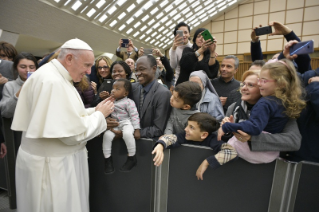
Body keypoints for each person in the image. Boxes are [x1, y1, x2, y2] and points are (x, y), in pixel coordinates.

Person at [11, 38, 115, 212]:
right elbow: (71, 134)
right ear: (69, 59)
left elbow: (66, 116)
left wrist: (94, 111)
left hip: (49, 161)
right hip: (51, 168)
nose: (90, 71)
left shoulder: (52, 74)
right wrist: (100, 116)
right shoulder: (53, 82)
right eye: (87, 65)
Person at [218, 59, 306, 163]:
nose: (244, 88)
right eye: (243, 84)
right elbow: (223, 138)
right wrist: (229, 131)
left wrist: (252, 137)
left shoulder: (279, 108)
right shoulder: (233, 107)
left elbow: (293, 142)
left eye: (251, 85)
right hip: (236, 164)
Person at [152, 113, 237, 180]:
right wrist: (160, 145)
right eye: (187, 125)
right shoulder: (185, 135)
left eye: (191, 127)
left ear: (204, 135)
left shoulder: (213, 140)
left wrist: (206, 162)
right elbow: (172, 138)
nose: (185, 129)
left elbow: (231, 152)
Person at [108, 55, 171, 139]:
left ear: (154, 68)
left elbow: (158, 129)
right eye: (136, 70)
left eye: (142, 69)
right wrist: (108, 120)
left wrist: (128, 134)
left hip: (148, 146)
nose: (137, 73)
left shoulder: (163, 93)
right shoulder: (131, 88)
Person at [103, 79, 140, 174]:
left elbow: (134, 116)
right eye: (113, 88)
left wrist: (136, 129)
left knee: (127, 134)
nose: (113, 91)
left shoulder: (129, 102)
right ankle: (108, 160)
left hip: (126, 122)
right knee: (107, 135)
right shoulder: (111, 101)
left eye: (117, 89)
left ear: (125, 93)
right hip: (115, 123)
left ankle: (132, 157)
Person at [0, 52, 38, 118]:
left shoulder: (41, 84)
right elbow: (5, 113)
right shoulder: (10, 86)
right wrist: (19, 93)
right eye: (23, 67)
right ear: (16, 68)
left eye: (32, 67)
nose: (28, 70)